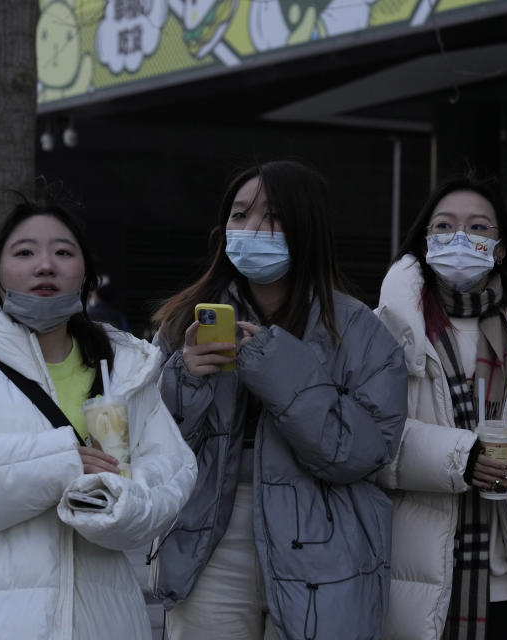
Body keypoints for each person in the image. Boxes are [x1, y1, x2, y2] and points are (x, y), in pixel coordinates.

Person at [0, 196, 197, 640]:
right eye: (25, 252)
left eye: (63, 252)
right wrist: (60, 464)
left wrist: (111, 500)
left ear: (86, 272)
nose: (45, 265)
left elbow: (171, 473)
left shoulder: (127, 369)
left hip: (103, 622)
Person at [148, 160, 410, 640]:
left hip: (325, 537)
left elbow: (363, 452)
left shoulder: (359, 330)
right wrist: (184, 378)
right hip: (209, 536)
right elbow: (152, 442)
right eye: (239, 214)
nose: (251, 229)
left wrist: (280, 370)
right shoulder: (185, 322)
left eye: (272, 217)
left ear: (307, 227)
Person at [374, 173, 507, 640]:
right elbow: (368, 438)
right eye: (444, 226)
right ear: (424, 241)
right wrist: (461, 458)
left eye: (478, 227)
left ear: (501, 246)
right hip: (417, 577)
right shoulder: (387, 329)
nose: (460, 238)